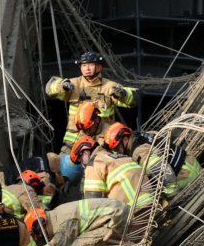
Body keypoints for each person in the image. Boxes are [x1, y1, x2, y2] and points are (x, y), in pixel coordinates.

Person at [45, 51, 137, 182]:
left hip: (101, 142)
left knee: (100, 172)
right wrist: (62, 86)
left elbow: (133, 101)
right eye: (84, 65)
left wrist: (123, 94)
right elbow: (50, 88)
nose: (87, 68)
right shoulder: (73, 84)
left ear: (99, 67)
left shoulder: (109, 87)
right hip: (75, 140)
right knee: (62, 172)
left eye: (91, 65)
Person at [103, 123, 201, 198]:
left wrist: (172, 195)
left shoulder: (138, 152)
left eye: (117, 148)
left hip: (185, 177)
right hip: (192, 163)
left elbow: (163, 171)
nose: (117, 152)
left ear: (124, 139)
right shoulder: (145, 135)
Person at [70, 135, 154, 210]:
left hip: (133, 212)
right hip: (152, 203)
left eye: (80, 160)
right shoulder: (116, 156)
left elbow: (93, 204)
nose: (82, 164)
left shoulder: (94, 164)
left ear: (86, 152)